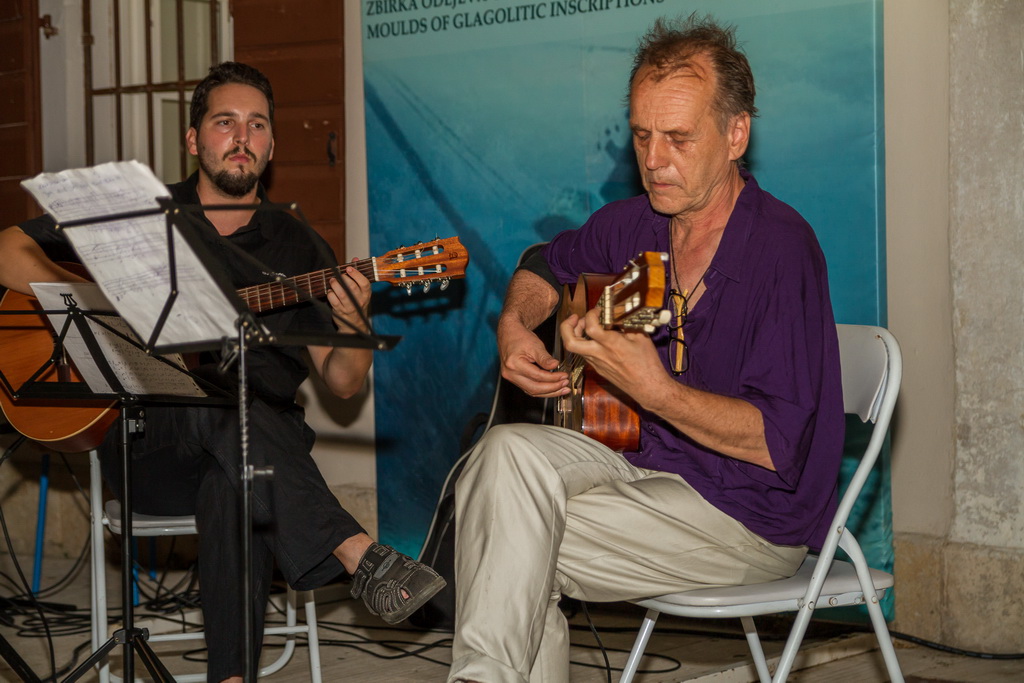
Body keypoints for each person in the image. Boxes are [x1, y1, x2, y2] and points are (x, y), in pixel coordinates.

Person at [0, 62, 444, 683]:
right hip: (152, 447)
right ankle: (357, 552)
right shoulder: (139, 224)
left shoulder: (301, 249)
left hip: (260, 460)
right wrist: (106, 300)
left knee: (238, 467)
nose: (242, 136)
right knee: (213, 405)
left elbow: (342, 384)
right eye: (225, 122)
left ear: (270, 144)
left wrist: (352, 325)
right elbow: (6, 249)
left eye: (257, 125)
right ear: (193, 140)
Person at [448, 14, 844, 683]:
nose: (654, 159)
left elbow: (776, 443)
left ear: (736, 133)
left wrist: (654, 388)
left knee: (505, 540)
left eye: (679, 138)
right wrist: (516, 325)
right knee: (502, 458)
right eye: (641, 135)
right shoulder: (637, 223)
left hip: (749, 513)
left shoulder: (782, 248)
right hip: (643, 470)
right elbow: (547, 263)